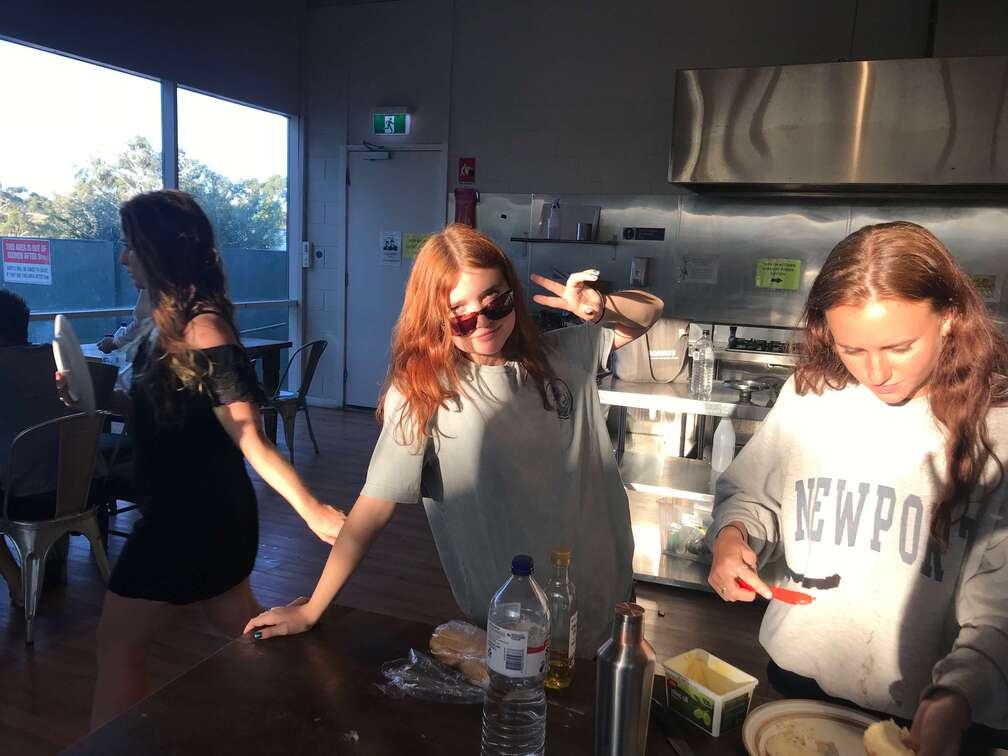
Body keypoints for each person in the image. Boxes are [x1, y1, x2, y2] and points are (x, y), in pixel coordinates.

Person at [244, 224, 663, 656]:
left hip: (609, 588)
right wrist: (312, 608)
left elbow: (651, 310)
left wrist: (600, 305)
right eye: (460, 313)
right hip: (515, 612)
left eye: (495, 302)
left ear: (512, 295)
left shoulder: (564, 355)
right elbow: (372, 509)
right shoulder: (423, 395)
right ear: (434, 318)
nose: (482, 322)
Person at [705, 221, 1008, 755]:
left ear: (950, 318)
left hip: (939, 713)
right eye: (851, 349)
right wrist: (734, 537)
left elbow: (1000, 610)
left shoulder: (995, 426)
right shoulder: (812, 395)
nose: (876, 372)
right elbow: (755, 495)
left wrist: (954, 697)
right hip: (799, 682)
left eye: (899, 346)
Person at [66, 190, 347, 730]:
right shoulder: (164, 325)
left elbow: (251, 439)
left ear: (158, 249)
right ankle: (316, 716)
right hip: (201, 514)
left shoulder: (203, 329)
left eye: (131, 245)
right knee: (243, 628)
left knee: (118, 645)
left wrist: (313, 511)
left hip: (193, 519)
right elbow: (164, 416)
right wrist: (93, 400)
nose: (124, 257)